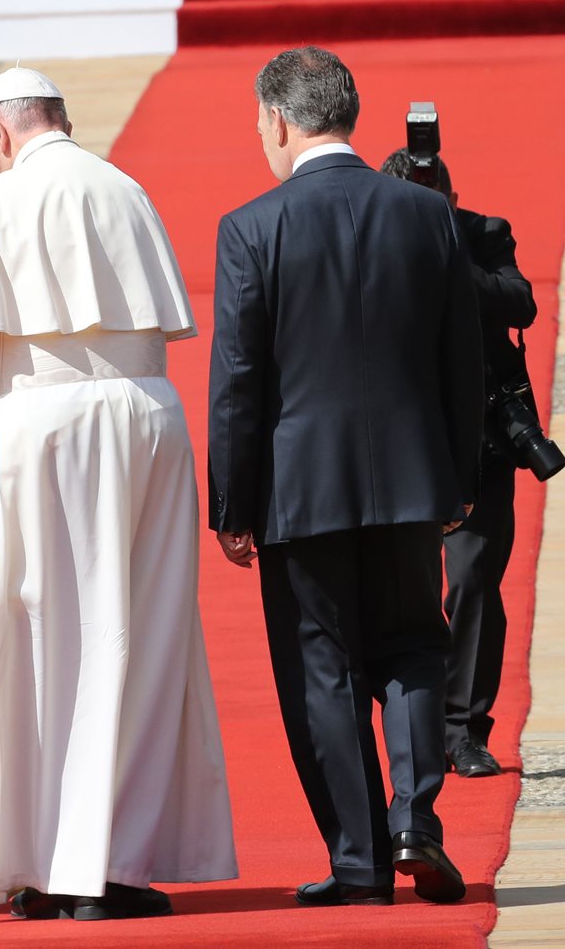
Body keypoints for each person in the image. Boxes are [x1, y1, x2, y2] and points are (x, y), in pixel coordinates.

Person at [0, 67, 237, 920]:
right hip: (146, 420)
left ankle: (44, 862)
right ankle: (110, 864)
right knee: (136, 635)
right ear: (61, 122)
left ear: (0, 134)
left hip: (38, 428)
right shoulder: (127, 191)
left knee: (32, 638)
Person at [208, 46, 483, 907]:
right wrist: (459, 480)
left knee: (320, 667)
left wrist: (232, 503)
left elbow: (239, 381)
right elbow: (463, 359)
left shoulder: (251, 226)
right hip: (412, 480)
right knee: (414, 643)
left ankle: (360, 859)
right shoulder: (426, 213)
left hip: (300, 490)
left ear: (279, 120)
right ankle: (416, 820)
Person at [380, 148, 537, 778]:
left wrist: (447, 256)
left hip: (480, 442)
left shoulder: (483, 235)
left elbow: (520, 303)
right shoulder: (372, 241)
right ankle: (410, 722)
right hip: (399, 443)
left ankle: (463, 729)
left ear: (451, 200)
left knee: (472, 580)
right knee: (400, 587)